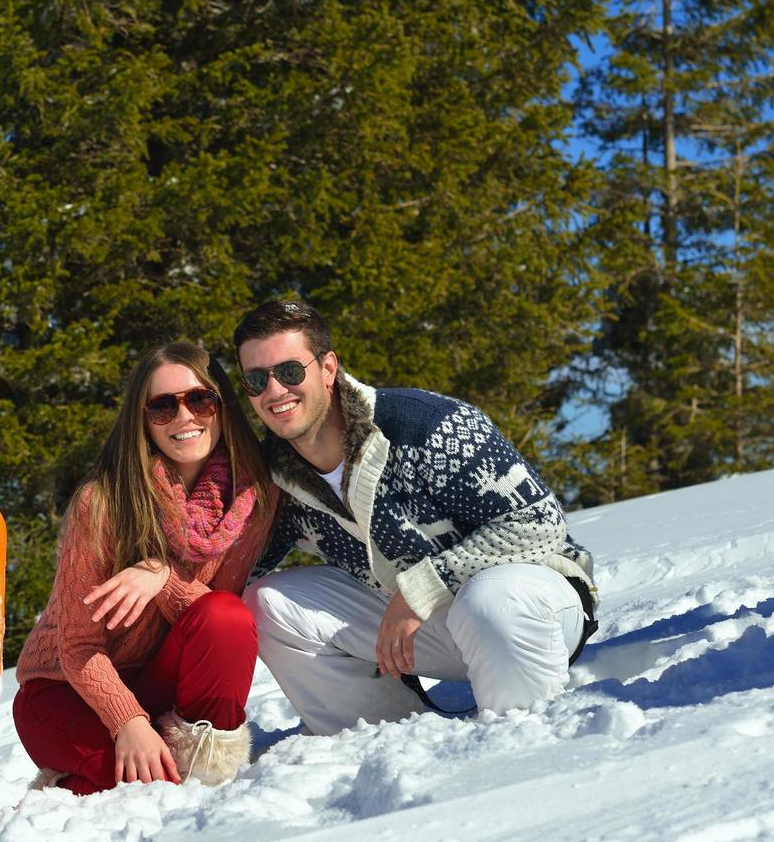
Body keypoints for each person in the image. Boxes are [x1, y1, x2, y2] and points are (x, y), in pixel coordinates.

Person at [233, 300, 597, 734]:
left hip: (527, 609)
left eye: (289, 371)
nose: (274, 391)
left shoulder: (426, 425)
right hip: (418, 633)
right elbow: (233, 572)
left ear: (328, 368)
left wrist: (421, 587)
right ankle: (384, 739)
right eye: (256, 380)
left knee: (489, 600)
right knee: (267, 603)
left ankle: (518, 743)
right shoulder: (271, 478)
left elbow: (540, 524)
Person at [12, 342, 277, 793]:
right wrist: (128, 722)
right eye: (162, 406)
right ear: (143, 421)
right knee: (139, 784)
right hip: (67, 689)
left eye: (199, 399)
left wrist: (162, 578)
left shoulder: (252, 501)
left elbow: (214, 620)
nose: (184, 417)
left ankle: (207, 765)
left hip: (159, 681)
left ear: (223, 405)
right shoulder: (104, 503)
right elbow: (77, 647)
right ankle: (64, 785)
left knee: (227, 618)